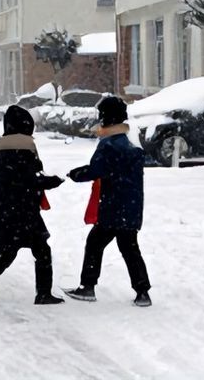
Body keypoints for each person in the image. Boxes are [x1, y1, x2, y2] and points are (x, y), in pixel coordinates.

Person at [64, 96, 152, 307]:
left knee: (95, 244)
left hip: (113, 207)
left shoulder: (109, 144)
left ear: (106, 118)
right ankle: (142, 292)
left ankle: (87, 287)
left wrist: (73, 174)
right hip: (131, 207)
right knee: (130, 248)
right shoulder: (131, 143)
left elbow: (97, 170)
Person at [0, 105, 65, 305]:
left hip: (12, 209)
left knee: (13, 252)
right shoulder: (19, 147)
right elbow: (27, 179)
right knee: (23, 252)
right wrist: (50, 182)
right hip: (20, 210)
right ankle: (42, 294)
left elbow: (25, 175)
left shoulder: (7, 144)